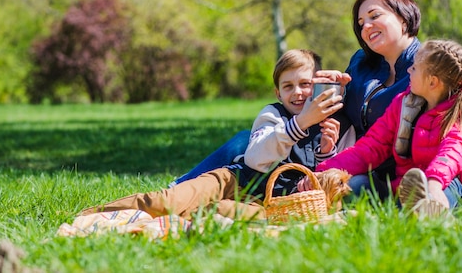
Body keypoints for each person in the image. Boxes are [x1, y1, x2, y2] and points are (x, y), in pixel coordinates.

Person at [171, 0, 422, 194]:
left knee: (344, 189)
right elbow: (351, 108)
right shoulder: (361, 62)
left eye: (374, 16)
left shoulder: (425, 66)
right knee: (245, 141)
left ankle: (189, 193)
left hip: (377, 168)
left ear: (403, 16)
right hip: (334, 153)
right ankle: (179, 190)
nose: (366, 26)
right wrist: (337, 87)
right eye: (360, 22)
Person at [79, 49, 344, 220]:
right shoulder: (272, 115)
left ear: (318, 84)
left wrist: (326, 151)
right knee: (164, 202)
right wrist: (300, 123)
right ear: (278, 93)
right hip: (235, 181)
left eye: (306, 84)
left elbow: (328, 185)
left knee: (210, 213)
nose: (297, 92)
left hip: (265, 205)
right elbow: (255, 159)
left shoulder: (332, 124)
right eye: (288, 86)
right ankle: (89, 216)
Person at [299, 39, 462, 216]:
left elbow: (452, 153)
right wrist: (323, 171)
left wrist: (433, 184)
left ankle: (429, 208)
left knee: (440, 192)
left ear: (432, 82)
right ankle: (412, 208)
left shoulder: (461, 110)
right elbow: (370, 148)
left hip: (452, 188)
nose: (408, 71)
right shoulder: (403, 104)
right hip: (405, 188)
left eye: (414, 68)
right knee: (355, 186)